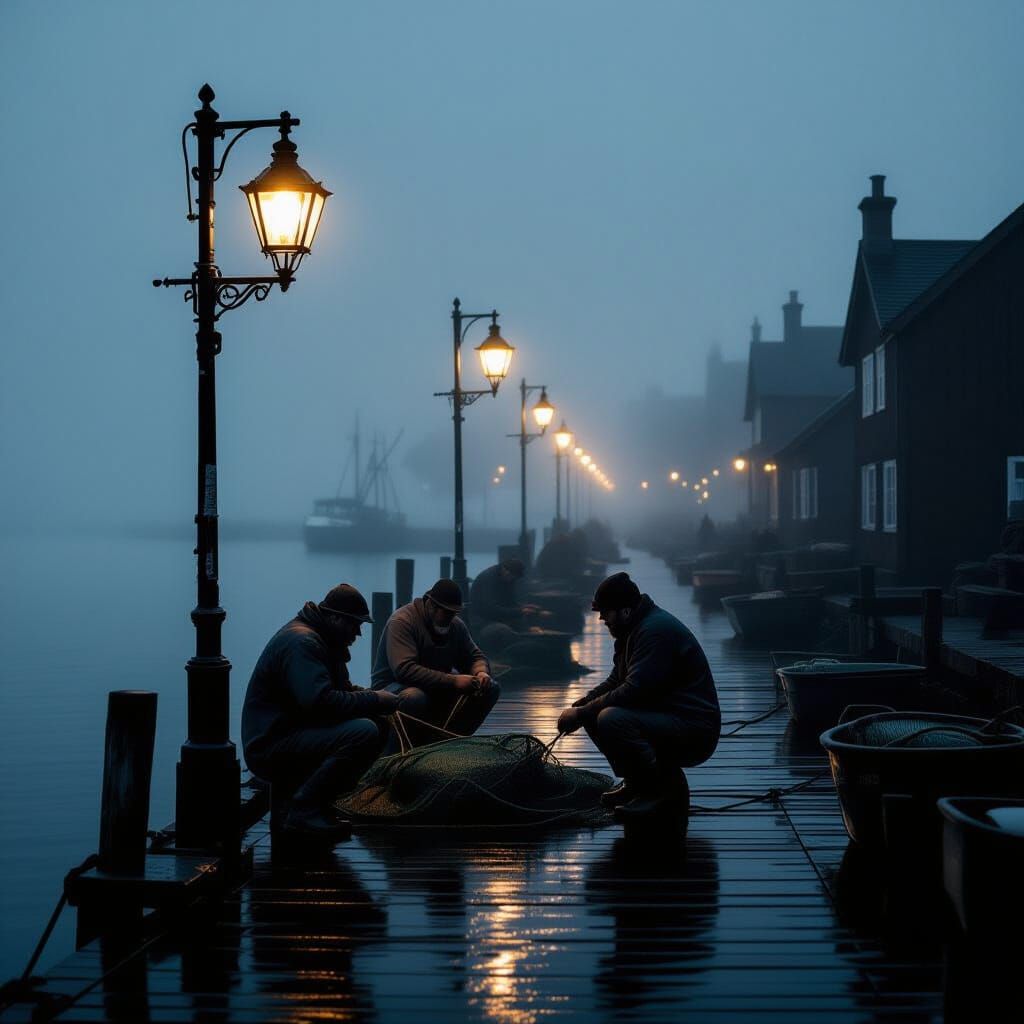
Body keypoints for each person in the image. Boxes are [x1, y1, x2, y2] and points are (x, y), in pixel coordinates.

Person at [557, 572, 721, 822]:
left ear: (625, 611)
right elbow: (616, 680)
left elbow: (634, 689)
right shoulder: (632, 629)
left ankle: (657, 792)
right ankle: (636, 783)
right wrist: (582, 706)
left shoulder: (654, 632)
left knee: (612, 718)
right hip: (666, 716)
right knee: (592, 712)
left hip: (694, 729)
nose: (601, 619)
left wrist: (582, 713)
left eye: (606, 612)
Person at [242, 583, 400, 837]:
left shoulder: (324, 640)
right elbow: (320, 703)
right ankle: (303, 810)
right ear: (335, 618)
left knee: (378, 724)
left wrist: (377, 700)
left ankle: (319, 804)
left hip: (292, 731)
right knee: (364, 732)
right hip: (269, 745)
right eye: (354, 624)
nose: (358, 633)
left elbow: (340, 691)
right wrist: (374, 699)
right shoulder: (303, 643)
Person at [371, 578, 499, 749]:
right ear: (431, 605)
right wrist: (454, 681)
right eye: (446, 612)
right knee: (414, 697)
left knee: (490, 689)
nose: (450, 618)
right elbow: (404, 670)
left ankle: (446, 743)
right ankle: (396, 752)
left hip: (435, 687)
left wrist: (481, 673)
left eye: (454, 613)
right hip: (393, 688)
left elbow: (475, 656)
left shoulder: (456, 626)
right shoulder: (402, 621)